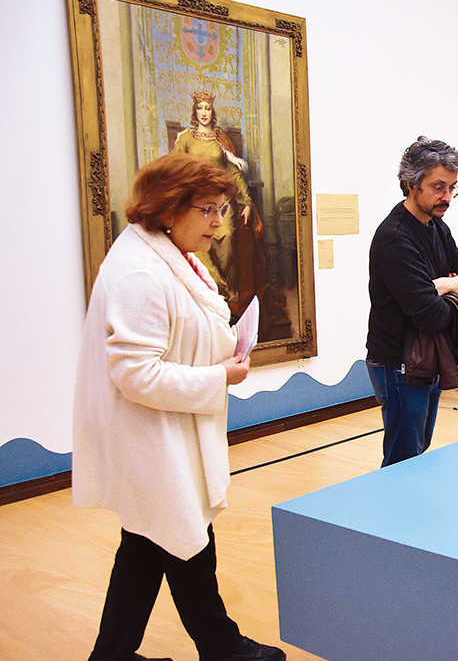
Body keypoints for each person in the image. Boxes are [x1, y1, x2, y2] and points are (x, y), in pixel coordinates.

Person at [73, 153, 286, 661]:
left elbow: (179, 334)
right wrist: (219, 376)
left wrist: (223, 348)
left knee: (148, 543)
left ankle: (115, 655)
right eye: (207, 210)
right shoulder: (140, 272)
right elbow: (137, 374)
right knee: (183, 535)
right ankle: (222, 647)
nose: (218, 223)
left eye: (222, 209)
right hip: (150, 435)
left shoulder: (167, 253)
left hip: (162, 430)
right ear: (168, 208)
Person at [366, 136, 458, 466]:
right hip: (399, 363)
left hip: (428, 357)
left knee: (417, 449)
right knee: (404, 459)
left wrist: (445, 284)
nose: (447, 197)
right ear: (411, 184)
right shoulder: (396, 238)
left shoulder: (437, 227)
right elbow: (431, 315)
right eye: (438, 187)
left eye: (452, 188)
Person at [173, 91, 262, 317]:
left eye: (207, 108)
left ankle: (229, 296)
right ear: (194, 111)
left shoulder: (219, 139)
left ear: (212, 112)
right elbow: (175, 168)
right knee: (197, 244)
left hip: (220, 203)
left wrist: (248, 202)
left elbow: (234, 172)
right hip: (195, 204)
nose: (204, 112)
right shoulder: (185, 139)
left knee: (227, 236)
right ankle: (213, 294)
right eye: (200, 108)